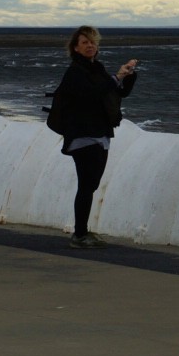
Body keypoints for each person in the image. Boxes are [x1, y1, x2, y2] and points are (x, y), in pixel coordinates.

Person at [50, 25, 138, 248]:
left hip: (99, 133)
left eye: (93, 42)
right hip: (82, 135)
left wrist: (126, 76)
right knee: (87, 184)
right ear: (76, 48)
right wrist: (115, 76)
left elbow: (115, 93)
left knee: (91, 184)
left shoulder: (96, 68)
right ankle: (79, 234)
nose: (90, 45)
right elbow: (93, 93)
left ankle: (82, 232)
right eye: (84, 42)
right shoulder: (75, 73)